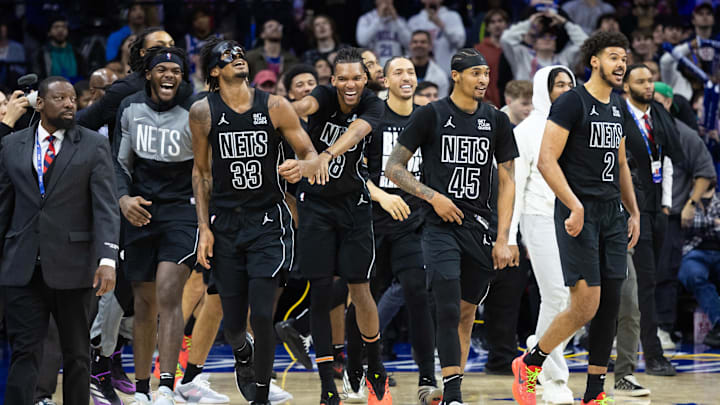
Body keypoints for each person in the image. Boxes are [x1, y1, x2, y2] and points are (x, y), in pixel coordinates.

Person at [191, 38, 325, 405]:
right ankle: (243, 353)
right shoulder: (203, 112)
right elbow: (201, 174)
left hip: (268, 222)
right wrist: (203, 227)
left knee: (263, 314)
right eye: (227, 56)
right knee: (233, 324)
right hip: (225, 224)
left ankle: (261, 397)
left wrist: (302, 165)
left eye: (239, 53)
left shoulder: (276, 106)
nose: (237, 58)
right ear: (214, 71)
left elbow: (309, 152)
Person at [512, 31, 641, 405]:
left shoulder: (617, 106)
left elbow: (619, 163)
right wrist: (574, 205)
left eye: (625, 57)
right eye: (614, 57)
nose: (622, 64)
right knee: (584, 305)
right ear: (595, 61)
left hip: (612, 215)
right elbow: (547, 160)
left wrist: (632, 210)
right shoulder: (571, 103)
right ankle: (531, 361)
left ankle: (594, 392)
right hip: (577, 213)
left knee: (611, 304)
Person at [386, 48, 518, 405]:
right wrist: (433, 197)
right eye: (476, 73)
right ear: (456, 75)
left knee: (465, 311)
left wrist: (504, 236)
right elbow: (393, 168)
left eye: (486, 74)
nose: (483, 80)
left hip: (479, 226)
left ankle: (447, 385)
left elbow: (507, 179)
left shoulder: (496, 120)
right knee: (444, 305)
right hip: (438, 225)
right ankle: (454, 394)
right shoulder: (431, 114)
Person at [0, 76, 119, 405]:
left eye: (72, 98)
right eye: (60, 98)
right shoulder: (12, 145)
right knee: (24, 353)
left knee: (78, 355)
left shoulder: (94, 144)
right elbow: (3, 206)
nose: (70, 103)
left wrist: (107, 260)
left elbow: (106, 207)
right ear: (40, 104)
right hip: (21, 265)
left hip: (76, 266)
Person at [290, 46, 390, 405]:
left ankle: (374, 359)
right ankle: (326, 385)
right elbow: (303, 108)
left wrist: (324, 155)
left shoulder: (373, 105)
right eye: (343, 78)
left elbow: (357, 133)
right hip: (315, 206)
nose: (350, 84)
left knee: (360, 289)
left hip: (354, 206)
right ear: (333, 80)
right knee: (320, 292)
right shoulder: (322, 95)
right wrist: (284, 111)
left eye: (356, 78)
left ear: (365, 80)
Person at [112, 46, 197, 405]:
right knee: (144, 303)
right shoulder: (130, 108)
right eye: (161, 69)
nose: (169, 75)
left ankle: (166, 384)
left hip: (182, 209)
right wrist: (123, 199)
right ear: (148, 74)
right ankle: (143, 389)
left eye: (175, 71)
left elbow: (203, 170)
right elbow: (118, 163)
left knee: (167, 292)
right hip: (140, 209)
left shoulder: (195, 109)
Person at [361, 55, 440, 405]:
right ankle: (369, 370)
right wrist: (380, 196)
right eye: (398, 72)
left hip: (416, 220)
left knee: (417, 293)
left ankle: (426, 379)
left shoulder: (429, 115)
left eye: (410, 71)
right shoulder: (374, 116)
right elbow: (352, 170)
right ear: (386, 80)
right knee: (364, 299)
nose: (405, 77)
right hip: (375, 219)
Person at [509, 65, 576, 404]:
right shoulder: (527, 130)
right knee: (558, 298)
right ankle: (553, 378)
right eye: (558, 84)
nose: (564, 89)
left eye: (569, 83)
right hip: (538, 219)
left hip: (574, 222)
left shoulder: (576, 125)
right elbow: (515, 189)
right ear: (543, 89)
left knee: (577, 302)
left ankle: (536, 352)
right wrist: (511, 237)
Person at [617, 64, 682, 379]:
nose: (648, 85)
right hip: (632, 211)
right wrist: (629, 210)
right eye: (640, 81)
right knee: (643, 283)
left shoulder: (658, 114)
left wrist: (667, 206)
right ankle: (652, 354)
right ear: (626, 86)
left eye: (650, 80)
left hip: (657, 208)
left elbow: (667, 159)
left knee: (651, 280)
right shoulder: (618, 115)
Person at [653, 82, 716, 349]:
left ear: (668, 102)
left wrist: (691, 204)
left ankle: (663, 328)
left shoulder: (685, 134)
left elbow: (706, 172)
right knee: (629, 275)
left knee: (666, 273)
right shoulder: (632, 130)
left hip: (671, 214)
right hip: (636, 213)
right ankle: (623, 330)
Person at [678, 185, 720, 348]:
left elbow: (696, 223)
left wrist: (703, 223)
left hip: (717, 250)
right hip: (693, 251)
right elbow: (687, 222)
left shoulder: (718, 199)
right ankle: (719, 324)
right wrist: (715, 222)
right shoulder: (686, 199)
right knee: (693, 275)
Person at [500, 11, 587, 82]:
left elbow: (586, 43)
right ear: (534, 44)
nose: (547, 39)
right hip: (528, 102)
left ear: (556, 44)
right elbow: (506, 39)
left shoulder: (565, 58)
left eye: (552, 37)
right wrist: (529, 23)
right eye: (542, 36)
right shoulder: (522, 56)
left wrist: (565, 22)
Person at [408, 0, 466, 75]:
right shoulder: (414, 21)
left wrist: (442, 26)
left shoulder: (452, 17)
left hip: (447, 73)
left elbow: (460, 42)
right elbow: (408, 47)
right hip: (419, 73)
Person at [32, 15, 87, 81]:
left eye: (64, 27)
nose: (60, 30)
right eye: (56, 27)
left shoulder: (77, 53)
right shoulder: (40, 54)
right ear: (49, 32)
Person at [356, 0, 411, 66]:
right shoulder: (366, 19)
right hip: (374, 65)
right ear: (375, 1)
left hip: (396, 65)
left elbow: (409, 43)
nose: (385, 1)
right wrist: (378, 18)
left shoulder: (400, 20)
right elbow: (362, 41)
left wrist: (396, 19)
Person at [474, 9, 510, 107]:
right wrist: (484, 100)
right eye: (493, 22)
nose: (497, 25)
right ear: (487, 27)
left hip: (512, 100)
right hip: (488, 102)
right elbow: (475, 78)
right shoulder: (479, 50)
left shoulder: (513, 48)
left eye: (500, 21)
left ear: (506, 24)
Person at [181, 7, 223, 90]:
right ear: (192, 23)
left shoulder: (221, 39)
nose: (200, 20)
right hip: (193, 80)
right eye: (196, 19)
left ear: (209, 18)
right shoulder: (186, 41)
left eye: (203, 16)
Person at [409, 30, 449, 98]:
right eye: (415, 42)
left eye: (423, 42)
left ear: (430, 46)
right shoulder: (396, 69)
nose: (419, 45)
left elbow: (441, 104)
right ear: (410, 45)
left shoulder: (440, 76)